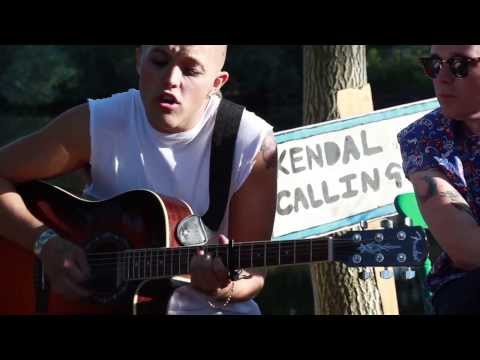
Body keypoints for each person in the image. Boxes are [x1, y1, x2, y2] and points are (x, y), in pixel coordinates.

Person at [0, 45, 277, 315]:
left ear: (217, 82)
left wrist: (220, 288)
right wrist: (44, 243)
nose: (171, 80)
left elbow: (253, 276)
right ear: (138, 59)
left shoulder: (250, 143)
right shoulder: (98, 123)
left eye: (190, 71)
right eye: (158, 61)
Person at [398, 45, 480, 314]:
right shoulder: (423, 137)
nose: (441, 78)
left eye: (459, 65)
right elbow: (468, 251)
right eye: (434, 64)